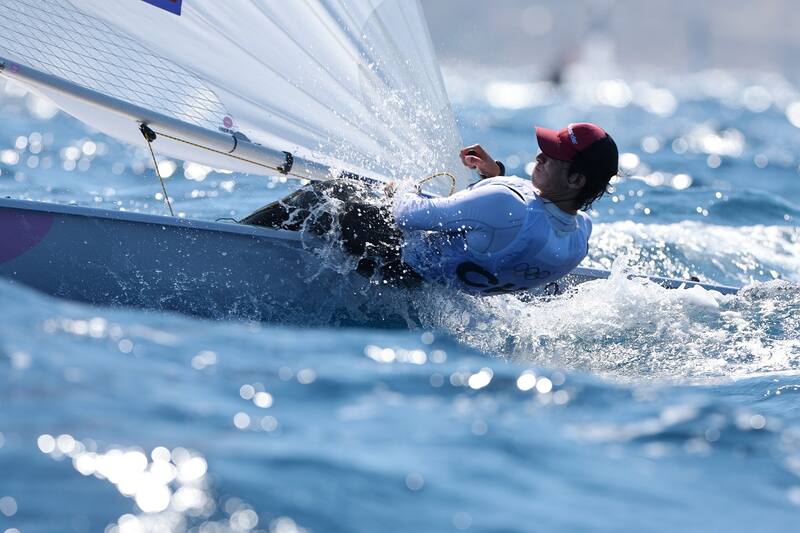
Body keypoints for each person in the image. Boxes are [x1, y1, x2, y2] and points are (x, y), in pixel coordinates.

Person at [241, 122, 618, 295]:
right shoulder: (578, 236)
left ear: (576, 180)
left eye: (552, 156)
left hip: (394, 263)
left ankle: (239, 233)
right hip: (441, 284)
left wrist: (400, 187)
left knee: (328, 194)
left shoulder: (504, 203)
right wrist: (494, 175)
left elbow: (408, 214)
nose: (539, 155)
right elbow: (511, 225)